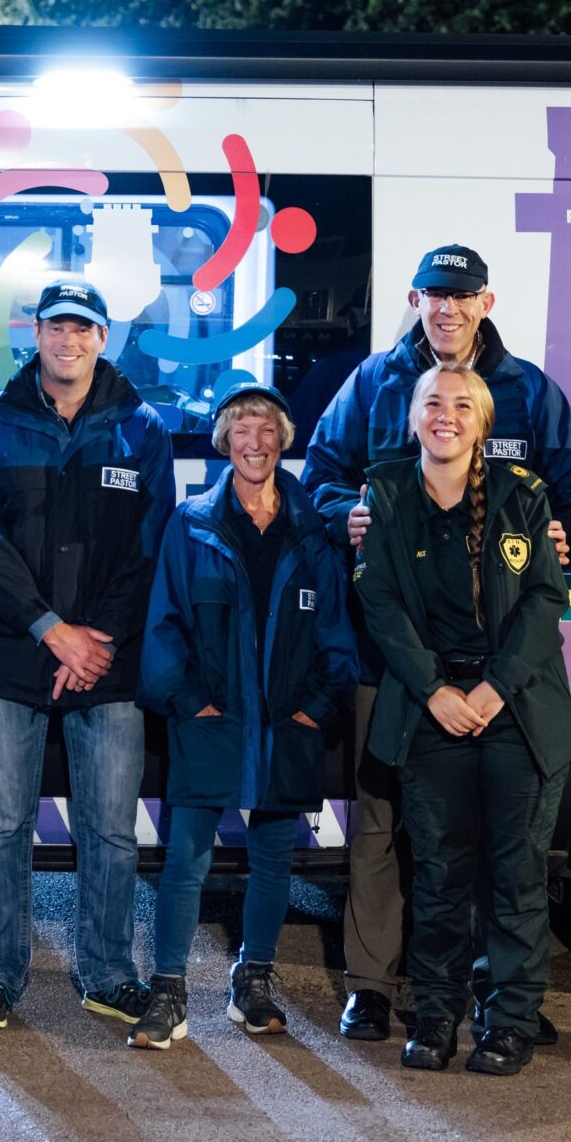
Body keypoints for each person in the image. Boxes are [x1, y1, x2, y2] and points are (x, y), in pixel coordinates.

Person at [303, 243, 571, 1044]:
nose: (449, 309)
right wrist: (345, 515)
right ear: (417, 300)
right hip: (392, 659)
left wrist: (564, 534)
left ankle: (493, 992)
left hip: (493, 666)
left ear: (485, 304)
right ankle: (371, 985)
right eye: (436, 295)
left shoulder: (528, 390)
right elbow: (320, 476)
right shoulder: (373, 384)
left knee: (487, 833)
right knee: (380, 821)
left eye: (463, 296)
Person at [0, 280, 174, 1033]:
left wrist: (96, 640)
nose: (68, 341)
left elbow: (149, 550)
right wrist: (54, 629)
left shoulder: (141, 429)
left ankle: (109, 975)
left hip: (106, 663)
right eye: (55, 328)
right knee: (2, 826)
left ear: (102, 338)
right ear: (35, 334)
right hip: (11, 653)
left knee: (110, 829)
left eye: (82, 329)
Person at [354, 366, 571, 1074]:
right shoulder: (385, 493)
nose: (445, 416)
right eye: (432, 404)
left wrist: (495, 689)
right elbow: (380, 604)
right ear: (412, 416)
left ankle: (508, 1020)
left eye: (460, 407)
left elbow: (544, 601)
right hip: (431, 711)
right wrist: (436, 692)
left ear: (481, 423)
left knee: (516, 876)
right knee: (441, 876)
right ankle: (439, 1014)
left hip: (515, 709)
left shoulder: (523, 496)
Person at [128, 383, 356, 1050]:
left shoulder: (312, 530)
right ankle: (168, 991)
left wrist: (315, 712)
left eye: (266, 431)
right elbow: (164, 627)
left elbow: (337, 640)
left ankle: (252, 980)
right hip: (209, 720)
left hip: (287, 726)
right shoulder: (191, 522)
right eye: (241, 430)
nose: (254, 443)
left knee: (274, 858)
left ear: (283, 442)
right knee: (185, 860)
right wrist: (188, 702)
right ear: (223, 441)